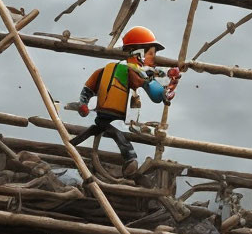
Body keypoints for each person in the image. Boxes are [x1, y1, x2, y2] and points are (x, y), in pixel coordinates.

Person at [73, 26, 178, 170]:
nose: (153, 59)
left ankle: (71, 146)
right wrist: (83, 104)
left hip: (115, 119)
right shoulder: (131, 71)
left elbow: (155, 85)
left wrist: (168, 83)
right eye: (151, 53)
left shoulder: (135, 71)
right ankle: (130, 159)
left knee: (110, 129)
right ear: (139, 53)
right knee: (118, 133)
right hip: (113, 119)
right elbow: (153, 92)